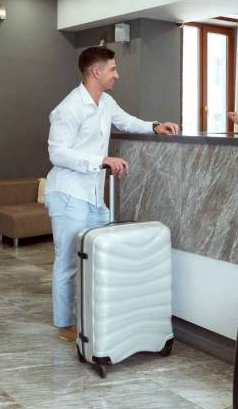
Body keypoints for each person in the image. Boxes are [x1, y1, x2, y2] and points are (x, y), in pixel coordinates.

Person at [45, 46, 180, 341]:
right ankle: (64, 323)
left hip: (94, 196)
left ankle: (93, 314)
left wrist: (155, 126)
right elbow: (56, 153)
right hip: (68, 194)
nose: (117, 75)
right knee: (68, 260)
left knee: (97, 256)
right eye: (113, 69)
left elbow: (127, 121)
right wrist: (100, 160)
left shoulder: (105, 102)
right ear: (96, 71)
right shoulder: (69, 108)